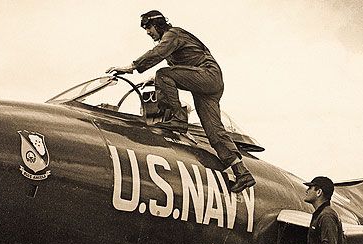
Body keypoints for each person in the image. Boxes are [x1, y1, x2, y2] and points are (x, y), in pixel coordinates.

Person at [106, 10, 255, 193]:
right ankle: (242, 173)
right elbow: (180, 69)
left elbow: (158, 54)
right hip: (210, 82)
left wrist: (132, 67)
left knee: (163, 74)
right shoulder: (173, 40)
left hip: (207, 75)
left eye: (149, 27)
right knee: (214, 132)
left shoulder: (173, 34)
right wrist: (152, 79)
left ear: (158, 25)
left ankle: (177, 118)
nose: (147, 32)